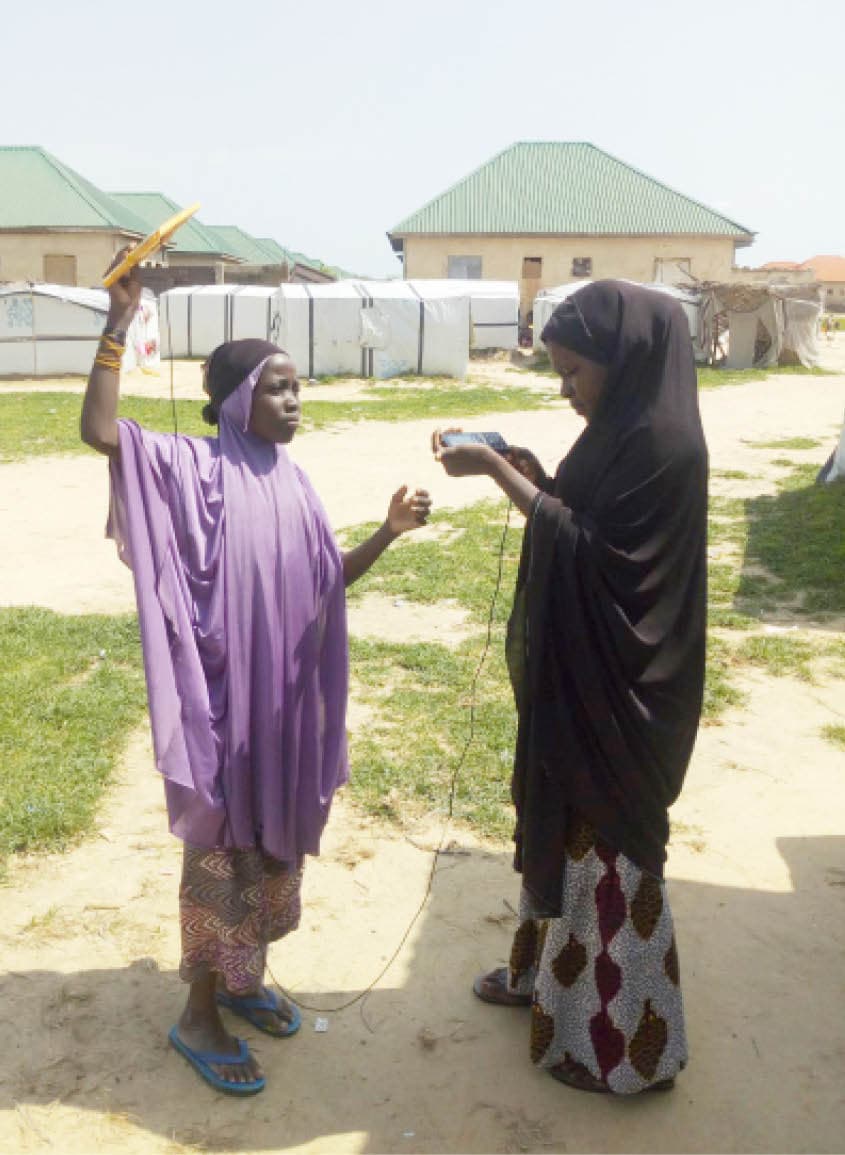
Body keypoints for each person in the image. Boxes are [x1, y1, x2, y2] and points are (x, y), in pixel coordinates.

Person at [81, 257, 432, 1096]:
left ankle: (242, 982)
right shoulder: (193, 468)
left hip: (281, 718)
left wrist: (384, 533)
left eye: (298, 388)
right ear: (239, 398)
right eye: (278, 388)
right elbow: (102, 434)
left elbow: (322, 586)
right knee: (222, 857)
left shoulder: (297, 484)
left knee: (270, 858)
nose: (293, 401)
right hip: (222, 716)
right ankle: (197, 1013)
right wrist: (117, 324)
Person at [432, 280, 707, 1095]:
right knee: (558, 821)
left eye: (572, 372)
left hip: (625, 693)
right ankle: (540, 977)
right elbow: (586, 522)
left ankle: (625, 1046)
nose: (565, 388)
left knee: (608, 845)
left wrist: (491, 471)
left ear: (620, 363)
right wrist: (537, 477)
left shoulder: (663, 443)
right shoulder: (621, 428)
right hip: (587, 675)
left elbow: (605, 564)